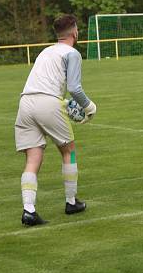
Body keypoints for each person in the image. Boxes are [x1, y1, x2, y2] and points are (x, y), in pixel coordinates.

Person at [14, 14, 97, 226]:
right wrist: (89, 107)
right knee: (68, 151)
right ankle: (71, 202)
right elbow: (74, 87)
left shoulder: (46, 51)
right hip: (48, 103)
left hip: (25, 103)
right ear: (75, 32)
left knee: (33, 158)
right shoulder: (72, 53)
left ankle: (28, 210)